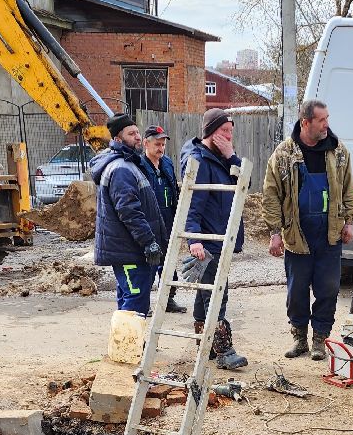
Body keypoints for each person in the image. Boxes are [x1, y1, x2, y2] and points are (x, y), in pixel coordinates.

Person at [262, 99, 353, 361]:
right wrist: (274, 231)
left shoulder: (338, 152)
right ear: (306, 122)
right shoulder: (284, 155)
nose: (327, 124)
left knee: (327, 289)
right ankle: (299, 339)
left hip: (330, 234)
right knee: (297, 291)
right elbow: (271, 195)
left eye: (327, 118)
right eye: (321, 120)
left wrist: (349, 221)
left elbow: (349, 189)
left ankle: (319, 339)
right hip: (297, 236)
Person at [178, 108, 247, 370]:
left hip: (222, 237)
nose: (229, 137)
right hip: (208, 240)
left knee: (204, 293)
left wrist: (231, 156)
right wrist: (194, 240)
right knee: (217, 295)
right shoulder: (200, 161)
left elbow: (244, 184)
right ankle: (223, 350)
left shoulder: (221, 158)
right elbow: (192, 204)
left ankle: (203, 345)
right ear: (210, 133)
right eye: (223, 132)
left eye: (231, 131)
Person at [89, 112, 166, 315]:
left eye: (138, 132)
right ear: (117, 139)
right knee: (135, 305)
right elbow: (129, 212)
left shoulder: (129, 164)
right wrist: (148, 241)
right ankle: (131, 347)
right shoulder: (122, 169)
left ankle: (126, 346)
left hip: (129, 249)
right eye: (132, 134)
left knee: (128, 300)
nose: (138, 137)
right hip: (130, 251)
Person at [139, 123, 186, 313]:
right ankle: (143, 302)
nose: (161, 148)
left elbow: (173, 188)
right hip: (150, 221)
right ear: (146, 144)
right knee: (150, 262)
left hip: (168, 219)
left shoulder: (166, 163)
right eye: (157, 144)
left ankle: (168, 299)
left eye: (163, 144)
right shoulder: (139, 165)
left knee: (169, 262)